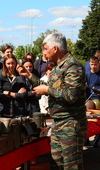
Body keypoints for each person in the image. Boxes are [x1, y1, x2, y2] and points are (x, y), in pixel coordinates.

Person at [17, 33, 87, 170]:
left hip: (70, 124)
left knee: (72, 166)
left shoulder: (73, 66)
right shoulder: (57, 66)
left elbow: (71, 95)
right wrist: (29, 75)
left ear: (55, 48)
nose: (43, 52)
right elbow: (47, 86)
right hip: (58, 123)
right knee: (57, 163)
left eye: (45, 48)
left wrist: (47, 90)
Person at [85, 56, 100, 147]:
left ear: (98, 64)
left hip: (98, 98)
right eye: (91, 64)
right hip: (89, 99)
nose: (93, 66)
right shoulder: (87, 75)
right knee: (88, 104)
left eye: (95, 64)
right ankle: (86, 137)